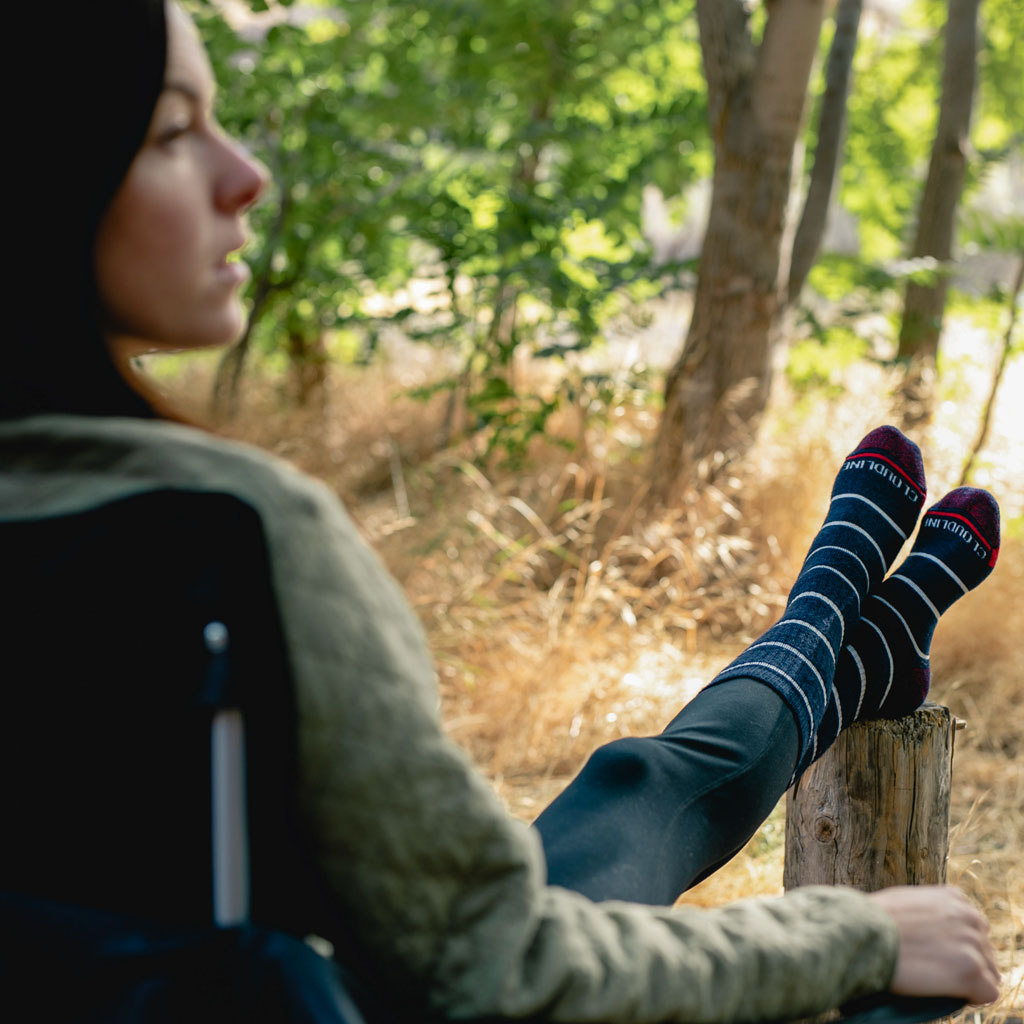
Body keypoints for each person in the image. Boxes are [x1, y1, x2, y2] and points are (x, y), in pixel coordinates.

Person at [0, 2, 1002, 1020]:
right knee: (663, 810)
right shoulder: (224, 532)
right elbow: (493, 970)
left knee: (626, 792)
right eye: (173, 131)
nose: (243, 174)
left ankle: (844, 646)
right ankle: (830, 631)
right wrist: (852, 934)